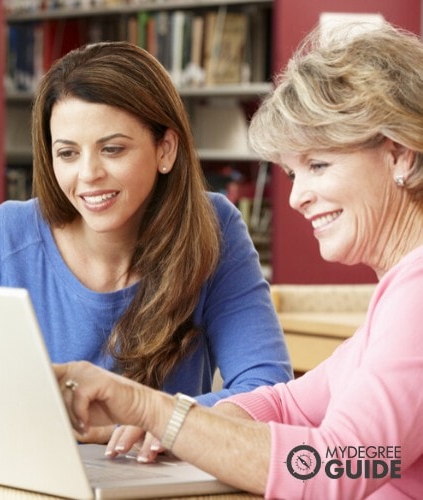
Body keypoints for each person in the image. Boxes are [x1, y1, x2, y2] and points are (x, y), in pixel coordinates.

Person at [53, 20, 423, 498]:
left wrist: (153, 412)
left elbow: (341, 464)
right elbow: (288, 404)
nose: (297, 198)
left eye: (318, 165)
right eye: (293, 173)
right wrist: (189, 427)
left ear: (399, 156)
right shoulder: (402, 292)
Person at [0, 40, 292, 442]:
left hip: (156, 479)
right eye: (67, 153)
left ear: (165, 149)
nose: (89, 173)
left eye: (112, 149)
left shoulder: (213, 226)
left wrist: (157, 420)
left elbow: (265, 389)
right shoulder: (4, 237)